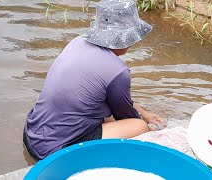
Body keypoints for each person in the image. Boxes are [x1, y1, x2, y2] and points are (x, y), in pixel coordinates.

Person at [23, 0, 165, 161]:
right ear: (124, 37)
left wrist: (145, 112)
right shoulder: (118, 71)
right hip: (54, 151)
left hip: (32, 133)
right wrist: (146, 122)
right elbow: (125, 117)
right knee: (139, 127)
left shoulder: (77, 42)